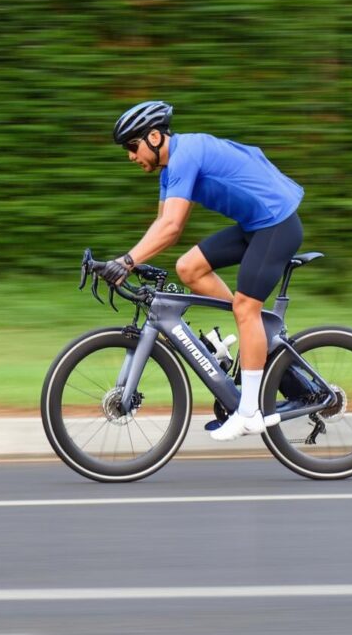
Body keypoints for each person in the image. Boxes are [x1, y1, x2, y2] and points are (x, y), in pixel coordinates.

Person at [102, 100, 304, 441]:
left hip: (277, 224)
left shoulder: (185, 156)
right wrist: (131, 258)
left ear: (154, 137)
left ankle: (250, 412)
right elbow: (163, 223)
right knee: (189, 267)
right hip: (256, 225)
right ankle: (249, 332)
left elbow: (172, 228)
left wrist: (126, 261)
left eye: (132, 147)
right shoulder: (171, 168)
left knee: (245, 306)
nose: (131, 156)